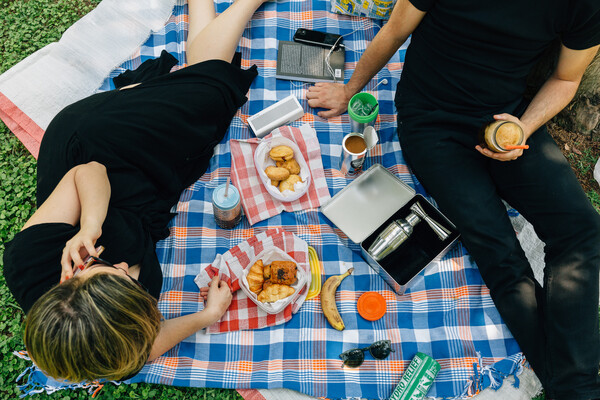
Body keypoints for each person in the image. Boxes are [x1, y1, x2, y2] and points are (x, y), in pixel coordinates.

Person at [306, 1, 600, 399]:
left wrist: (524, 126)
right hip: (430, 121)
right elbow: (394, 30)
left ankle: (573, 388)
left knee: (582, 230)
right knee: (499, 251)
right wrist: (349, 88)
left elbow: (567, 78)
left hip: (505, 119)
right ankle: (576, 389)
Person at [2, 0, 267, 383]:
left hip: (96, 150)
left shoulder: (27, 260)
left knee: (210, 92)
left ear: (66, 284)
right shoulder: (106, 349)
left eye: (103, 269)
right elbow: (145, 347)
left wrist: (89, 227)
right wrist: (206, 317)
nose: (125, 265)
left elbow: (88, 172)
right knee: (200, 112)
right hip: (142, 195)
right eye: (127, 281)